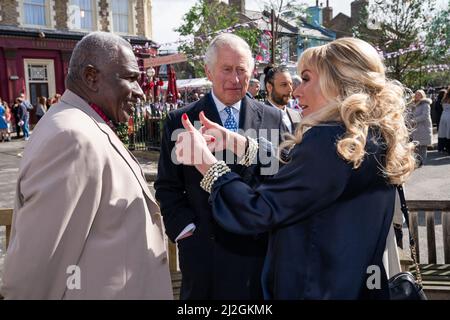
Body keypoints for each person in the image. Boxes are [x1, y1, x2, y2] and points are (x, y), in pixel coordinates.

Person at [175, 37, 416, 299]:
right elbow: (309, 179)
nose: (297, 91)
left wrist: (207, 164)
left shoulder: (329, 140)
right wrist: (240, 144)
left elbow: (258, 211)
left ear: (337, 82)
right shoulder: (369, 137)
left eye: (307, 78)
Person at [1, 31, 173, 299]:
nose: (140, 92)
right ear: (92, 77)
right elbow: (37, 268)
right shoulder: (73, 137)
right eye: (129, 78)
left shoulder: (80, 124)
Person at [155, 33, 287, 300]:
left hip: (259, 257)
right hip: (205, 258)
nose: (235, 79)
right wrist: (186, 234)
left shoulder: (274, 118)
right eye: (226, 69)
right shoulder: (179, 120)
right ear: (208, 71)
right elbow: (168, 187)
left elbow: (284, 177)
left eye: (241, 70)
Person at [264, 65, 301, 133]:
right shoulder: (258, 117)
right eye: (284, 85)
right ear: (269, 87)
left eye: (291, 84)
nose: (290, 89)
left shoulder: (297, 115)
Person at [410, 89, 433, 167]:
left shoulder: (425, 104)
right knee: (415, 146)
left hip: (423, 128)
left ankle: (421, 162)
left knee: (422, 147)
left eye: (419, 94)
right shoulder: (413, 104)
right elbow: (410, 114)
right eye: (416, 94)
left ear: (422, 96)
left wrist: (414, 120)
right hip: (415, 128)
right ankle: (416, 161)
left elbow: (425, 116)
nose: (417, 95)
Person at [438, 87, 450, 153]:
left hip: (443, 115)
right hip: (448, 115)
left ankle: (442, 148)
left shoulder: (445, 97)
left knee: (443, 132)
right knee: (448, 132)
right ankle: (448, 148)